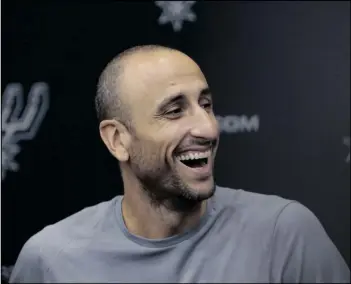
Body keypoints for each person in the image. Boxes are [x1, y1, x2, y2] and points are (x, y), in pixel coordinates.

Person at [10, 45, 350, 283]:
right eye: (174, 110)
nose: (208, 128)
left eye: (206, 104)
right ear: (118, 140)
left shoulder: (285, 236)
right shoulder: (51, 260)